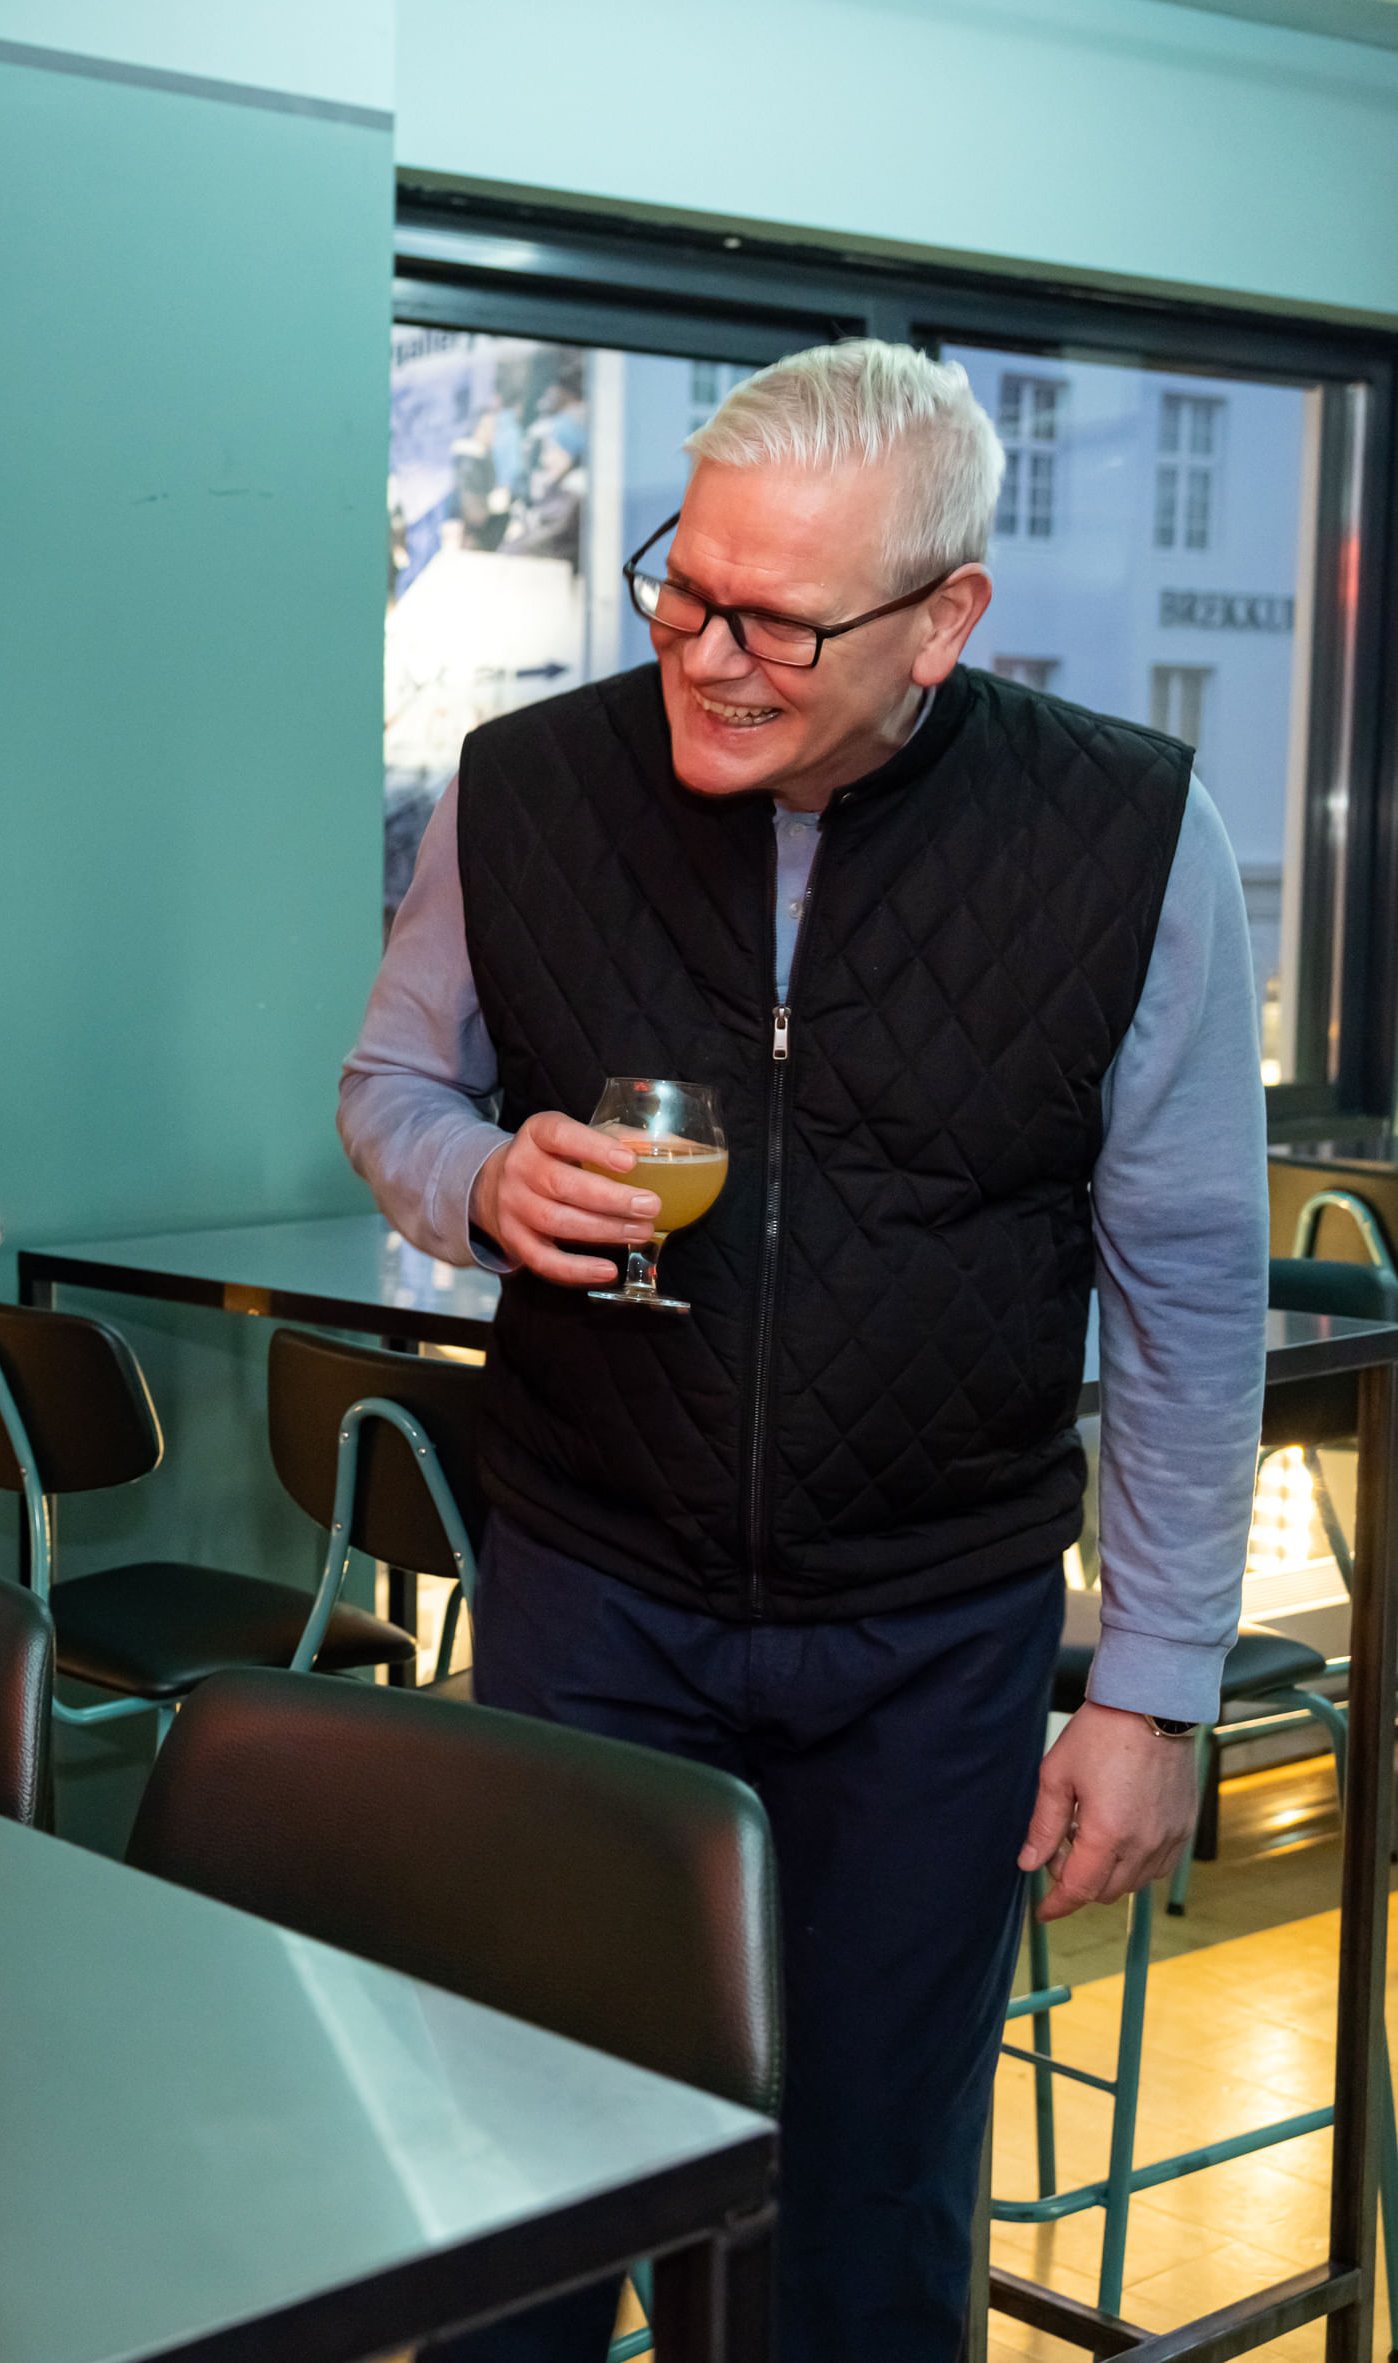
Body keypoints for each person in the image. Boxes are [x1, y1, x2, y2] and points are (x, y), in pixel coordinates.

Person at [343, 340, 1264, 2361]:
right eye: (683, 587)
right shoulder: (520, 791)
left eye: (776, 617)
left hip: (930, 1642)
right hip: (589, 1592)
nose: (707, 653)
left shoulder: (1127, 842)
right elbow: (391, 1085)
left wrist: (1156, 1688)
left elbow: (1190, 1295)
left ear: (943, 619)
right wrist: (479, 1184)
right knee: (540, 2157)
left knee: (857, 2200)